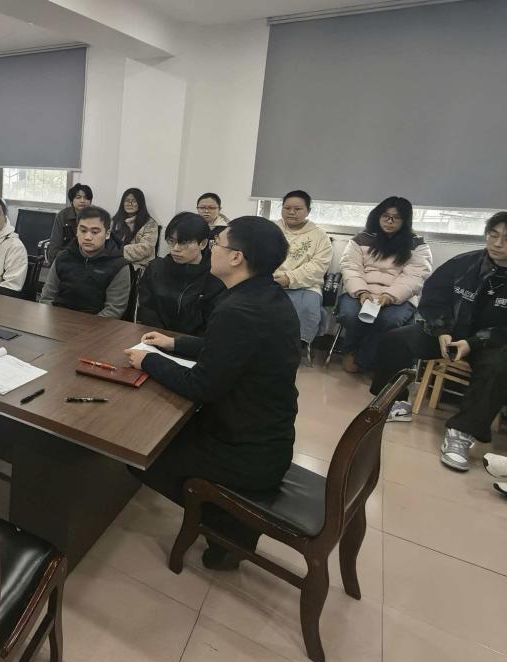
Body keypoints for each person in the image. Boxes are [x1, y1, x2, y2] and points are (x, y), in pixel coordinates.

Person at [123, 217, 300, 569]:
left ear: (236, 257)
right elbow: (228, 348)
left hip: (243, 452)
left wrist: (148, 361)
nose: (212, 250)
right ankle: (228, 525)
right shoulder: (265, 296)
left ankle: (226, 523)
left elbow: (200, 386)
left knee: (138, 451)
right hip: (268, 436)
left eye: (218, 244)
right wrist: (175, 343)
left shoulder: (238, 310)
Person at [369, 212, 507, 474]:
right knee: (395, 340)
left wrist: (473, 343)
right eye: (493, 235)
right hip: (446, 335)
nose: (498, 243)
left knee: (498, 368)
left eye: (506, 239)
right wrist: (441, 330)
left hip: (489, 344)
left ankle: (462, 433)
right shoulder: (463, 264)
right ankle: (395, 401)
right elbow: (433, 299)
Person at [336, 197, 432, 373]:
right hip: (360, 291)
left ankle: (364, 360)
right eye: (385, 216)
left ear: (405, 220)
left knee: (389, 320)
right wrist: (361, 292)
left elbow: (415, 276)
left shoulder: (418, 245)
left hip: (398, 297)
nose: (389, 221)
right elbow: (350, 267)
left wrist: (390, 296)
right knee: (350, 315)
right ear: (377, 216)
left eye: (396, 217)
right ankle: (350, 351)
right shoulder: (360, 239)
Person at [135, 212, 225, 334]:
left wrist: (179, 342)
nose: (176, 248)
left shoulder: (216, 276)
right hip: (156, 336)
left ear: (202, 244)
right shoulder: (156, 269)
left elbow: (212, 321)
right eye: (171, 241)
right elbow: (146, 308)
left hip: (194, 342)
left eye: (184, 242)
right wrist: (161, 336)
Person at [39, 206, 130, 318]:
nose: (87, 237)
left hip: (96, 324)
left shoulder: (119, 265)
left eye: (94, 232)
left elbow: (113, 310)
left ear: (107, 234)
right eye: (83, 231)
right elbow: (47, 297)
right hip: (57, 319)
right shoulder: (63, 257)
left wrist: (84, 327)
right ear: (77, 231)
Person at [273, 190, 334, 351]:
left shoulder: (320, 236)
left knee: (307, 308)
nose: (291, 212)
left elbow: (318, 266)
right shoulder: (271, 229)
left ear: (308, 211)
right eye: (287, 208)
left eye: (298, 209)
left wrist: (289, 279)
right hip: (270, 280)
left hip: (306, 285)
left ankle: (295, 347)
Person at [110, 188, 159, 270]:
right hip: (114, 260)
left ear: (140, 203)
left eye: (134, 201)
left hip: (137, 265)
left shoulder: (150, 224)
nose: (130, 204)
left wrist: (119, 251)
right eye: (127, 201)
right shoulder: (115, 221)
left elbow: (146, 249)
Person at [45, 184, 93, 263]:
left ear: (90, 201)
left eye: (86, 198)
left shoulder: (96, 217)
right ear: (71, 201)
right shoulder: (63, 216)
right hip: (66, 258)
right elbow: (55, 245)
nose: (82, 200)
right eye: (78, 197)